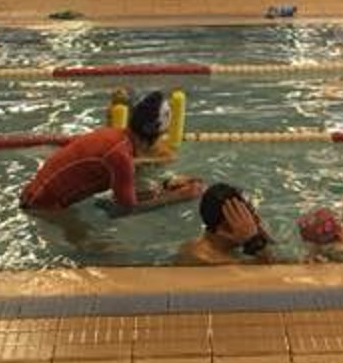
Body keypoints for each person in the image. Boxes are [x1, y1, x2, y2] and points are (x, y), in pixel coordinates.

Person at [20, 92, 204, 215]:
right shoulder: (120, 156)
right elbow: (125, 209)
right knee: (102, 249)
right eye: (162, 135)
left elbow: (125, 176)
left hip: (34, 195)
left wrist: (166, 184)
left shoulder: (115, 137)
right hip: (43, 207)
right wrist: (178, 197)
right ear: (152, 134)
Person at [178, 183, 274, 265]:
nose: (256, 220)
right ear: (225, 227)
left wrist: (263, 239)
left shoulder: (215, 247)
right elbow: (274, 273)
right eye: (248, 217)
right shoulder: (211, 261)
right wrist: (253, 242)